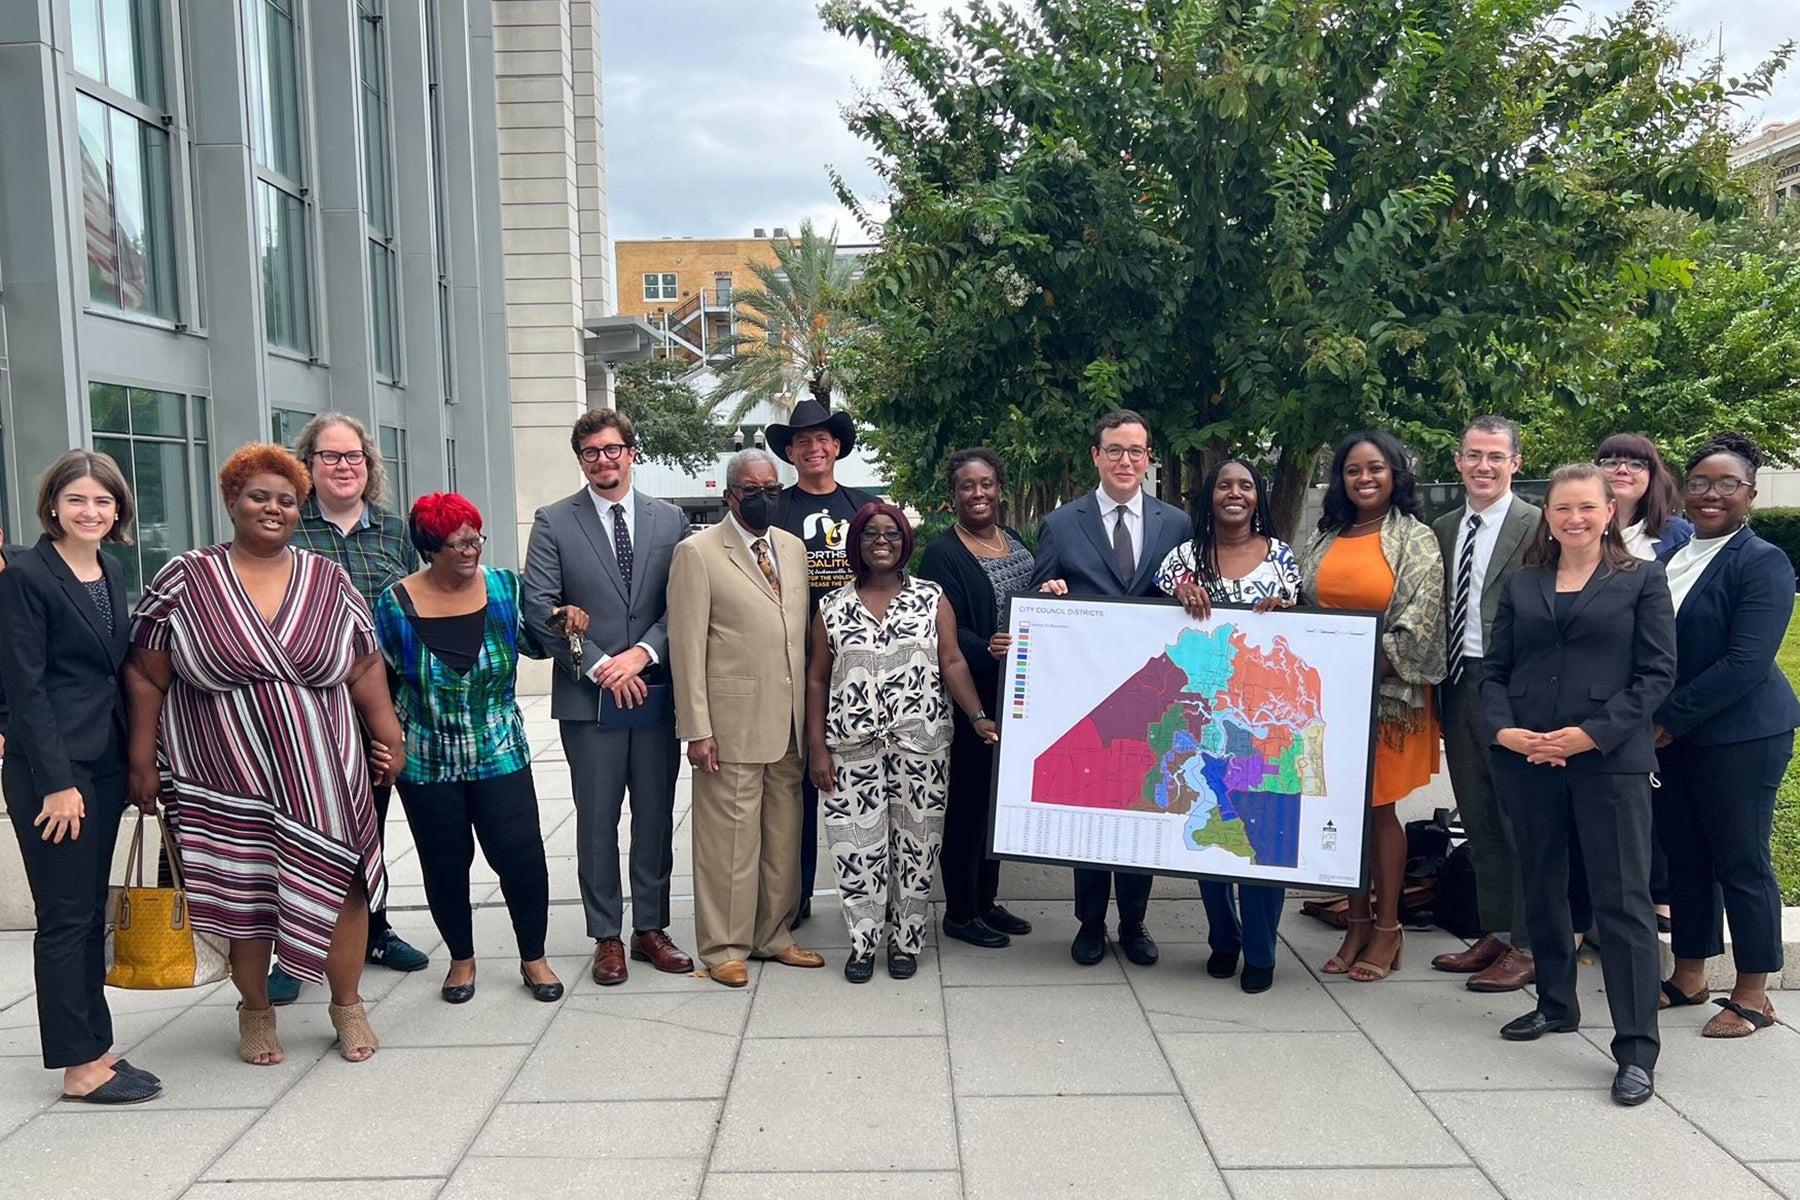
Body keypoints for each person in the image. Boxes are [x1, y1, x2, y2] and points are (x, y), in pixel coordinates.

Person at [124, 445, 405, 1067]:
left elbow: (363, 664)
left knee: (345, 885)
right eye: (259, 496)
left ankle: (348, 1004)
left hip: (323, 767)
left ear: (298, 510)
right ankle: (256, 1011)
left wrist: (389, 733)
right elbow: (147, 673)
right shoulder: (185, 577)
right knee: (244, 894)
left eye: (285, 499)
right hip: (222, 771)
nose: (272, 508)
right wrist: (142, 759)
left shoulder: (327, 578)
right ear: (232, 502)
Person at [1479, 462, 1674, 1107]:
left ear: (1609, 512)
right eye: (1563, 508)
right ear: (1549, 514)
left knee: (1621, 902)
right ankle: (1556, 1005)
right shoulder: (1524, 582)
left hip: (1606, 760)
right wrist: (1505, 732)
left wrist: (1589, 735)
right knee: (1541, 883)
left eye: (1588, 508)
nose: (1575, 519)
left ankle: (1636, 1048)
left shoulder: (1642, 579)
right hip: (1528, 757)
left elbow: (1654, 676)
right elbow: (1493, 671)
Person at [377, 494, 583, 1005]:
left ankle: (533, 957)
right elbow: (378, 680)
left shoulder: (504, 588)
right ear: (430, 548)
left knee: (521, 857)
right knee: (444, 863)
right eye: (458, 543)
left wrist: (564, 620)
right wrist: (388, 743)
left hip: (499, 752)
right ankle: (462, 960)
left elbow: (538, 642)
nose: (471, 550)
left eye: (476, 538)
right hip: (427, 759)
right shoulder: (393, 604)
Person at [0, 452, 160, 1104]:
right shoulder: (26, 576)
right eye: (77, 501)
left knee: (91, 913)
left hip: (102, 764)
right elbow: (25, 686)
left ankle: (97, 1044)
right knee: (65, 918)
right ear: (53, 507)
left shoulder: (109, 566)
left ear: (118, 509)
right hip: (55, 774)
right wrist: (56, 781)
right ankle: (77, 1067)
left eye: (102, 501)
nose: (90, 511)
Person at [521, 410, 694, 987]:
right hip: (588, 701)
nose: (604, 460)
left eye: (613, 449)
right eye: (591, 452)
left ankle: (651, 929)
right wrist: (599, 665)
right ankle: (607, 936)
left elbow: (684, 604)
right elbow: (539, 608)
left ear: (631, 452)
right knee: (597, 821)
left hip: (654, 692)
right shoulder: (553, 522)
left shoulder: (670, 520)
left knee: (654, 816)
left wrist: (642, 654)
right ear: (580, 458)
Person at [266, 413, 427, 1006]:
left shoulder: (393, 533)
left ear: (369, 465)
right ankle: (294, 950)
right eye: (330, 456)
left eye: (353, 456)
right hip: (300, 715)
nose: (343, 466)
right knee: (295, 830)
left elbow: (418, 607)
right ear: (307, 465)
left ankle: (374, 931)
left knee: (369, 828)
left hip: (377, 707)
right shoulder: (285, 527)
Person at [807, 502, 996, 982]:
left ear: (905, 540)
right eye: (871, 534)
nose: (882, 542)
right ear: (858, 543)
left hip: (923, 745)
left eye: (891, 533)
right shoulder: (832, 606)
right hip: (851, 748)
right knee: (855, 849)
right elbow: (816, 679)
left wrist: (976, 715)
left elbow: (952, 661)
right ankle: (863, 943)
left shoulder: (932, 598)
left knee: (918, 846)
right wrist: (816, 747)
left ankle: (906, 941)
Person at [1031, 410, 1190, 967]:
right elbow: (1038, 598)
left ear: (1149, 459)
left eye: (1137, 451)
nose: (1127, 461)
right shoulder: (1061, 524)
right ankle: (1091, 922)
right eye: (1116, 450)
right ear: (1096, 456)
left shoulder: (1176, 523)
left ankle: (1136, 921)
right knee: (1093, 803)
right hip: (1089, 697)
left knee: (1145, 802)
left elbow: (1186, 596)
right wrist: (1049, 594)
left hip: (1151, 695)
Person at [1652, 433, 1799, 1038]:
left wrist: (1665, 720)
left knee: (1741, 859)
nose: (1712, 494)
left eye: (1727, 484)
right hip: (1677, 735)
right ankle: (1690, 975)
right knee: (1686, 856)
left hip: (1742, 733)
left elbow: (1745, 662)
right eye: (1701, 482)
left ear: (1751, 495)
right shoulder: (1675, 555)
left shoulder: (1761, 561)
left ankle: (1754, 992)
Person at [668, 448, 826, 987]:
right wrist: (696, 728)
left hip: (787, 722)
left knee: (782, 838)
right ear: (730, 495)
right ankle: (724, 946)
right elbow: (686, 646)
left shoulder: (793, 548)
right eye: (752, 490)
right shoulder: (698, 552)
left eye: (772, 489)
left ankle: (773, 934)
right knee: (729, 841)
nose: (763, 498)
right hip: (729, 723)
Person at [1297, 431, 1445, 983]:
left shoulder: (1417, 539)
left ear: (1395, 475)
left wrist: (1351, 662)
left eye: (1376, 469)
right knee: (1343, 811)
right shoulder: (1326, 535)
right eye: (1354, 470)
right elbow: (1305, 605)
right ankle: (1355, 921)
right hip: (1327, 700)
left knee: (1379, 809)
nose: (1364, 479)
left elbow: (1420, 628)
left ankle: (1388, 928)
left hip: (1387, 699)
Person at [1154, 458, 1303, 993]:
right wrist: (1175, 597)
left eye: (1246, 485)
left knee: (1263, 833)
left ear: (1259, 496)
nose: (1234, 493)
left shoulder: (1282, 558)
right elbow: (1150, 626)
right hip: (1204, 718)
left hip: (1265, 721)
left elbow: (1305, 627)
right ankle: (1223, 939)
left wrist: (1289, 609)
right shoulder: (1180, 560)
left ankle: (1261, 951)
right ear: (1210, 496)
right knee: (1211, 830)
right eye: (1224, 485)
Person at [1428, 418, 1545, 994]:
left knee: (1516, 817)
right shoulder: (1444, 526)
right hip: (1456, 681)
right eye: (1474, 455)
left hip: (1514, 688)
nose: (1484, 466)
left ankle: (1529, 944)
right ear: (1458, 460)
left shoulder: (1539, 525)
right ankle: (1496, 930)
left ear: (1515, 464)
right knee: (1476, 814)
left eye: (1496, 457)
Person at [766, 398, 879, 930]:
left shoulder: (864, 508)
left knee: (860, 780)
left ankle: (873, 894)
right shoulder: (777, 510)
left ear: (836, 447)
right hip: (792, 664)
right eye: (802, 441)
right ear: (790, 452)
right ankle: (796, 896)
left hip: (857, 667)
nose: (814, 448)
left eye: (822, 440)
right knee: (796, 787)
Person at [917, 449, 1036, 949]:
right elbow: (943, 630)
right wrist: (983, 647)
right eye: (968, 486)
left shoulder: (1016, 542)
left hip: (1021, 694)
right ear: (953, 497)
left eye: (987, 484)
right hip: (972, 697)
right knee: (967, 806)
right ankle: (961, 912)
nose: (979, 493)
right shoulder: (943, 554)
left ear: (1000, 488)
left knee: (998, 804)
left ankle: (988, 901)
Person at [1596, 432, 1691, 932]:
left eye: (1636, 463)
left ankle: (1661, 893)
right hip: (1597, 682)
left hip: (1656, 676)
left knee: (1657, 788)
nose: (1622, 469)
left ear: (1654, 475)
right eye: (1609, 460)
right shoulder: (1584, 528)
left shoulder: (1675, 537)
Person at [1597, 433, 1693, 561]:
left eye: (1636, 464)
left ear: (1652, 477)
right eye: (1611, 463)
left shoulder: (1679, 534)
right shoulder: (1575, 527)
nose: (1622, 470)